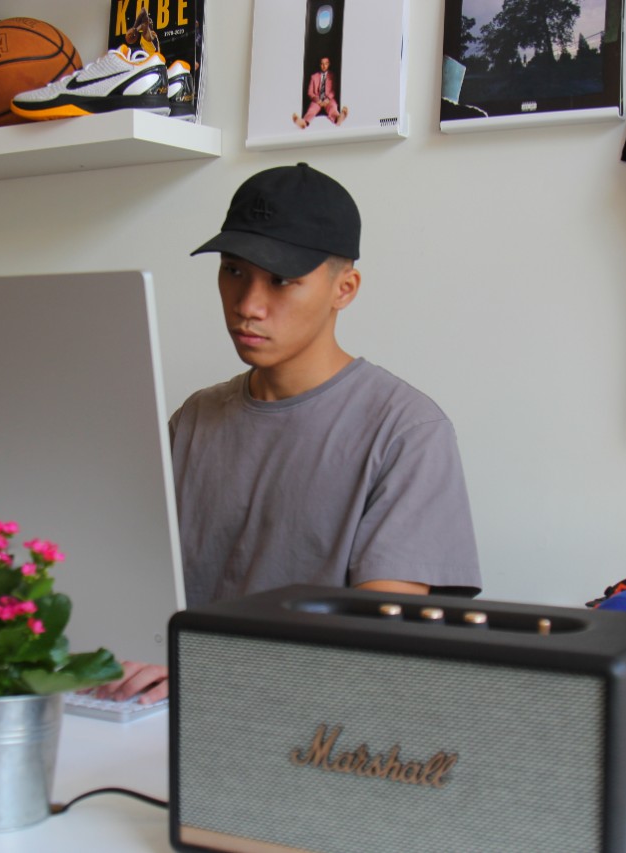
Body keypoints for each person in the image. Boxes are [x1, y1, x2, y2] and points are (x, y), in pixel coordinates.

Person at [92, 162, 482, 703]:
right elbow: (125, 585)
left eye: (281, 280)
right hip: (160, 715)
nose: (248, 305)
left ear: (344, 289)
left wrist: (199, 673)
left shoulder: (406, 431)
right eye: (233, 271)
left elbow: (382, 647)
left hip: (310, 732)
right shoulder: (194, 420)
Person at [293, 57, 347, 128]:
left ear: (329, 64)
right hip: (317, 100)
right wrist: (317, 100)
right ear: (319, 65)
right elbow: (310, 92)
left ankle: (338, 119)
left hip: (328, 100)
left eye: (326, 64)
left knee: (332, 108)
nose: (324, 66)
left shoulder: (332, 76)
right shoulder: (314, 76)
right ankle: (304, 122)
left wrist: (327, 99)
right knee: (311, 110)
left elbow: (333, 90)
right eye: (322, 64)